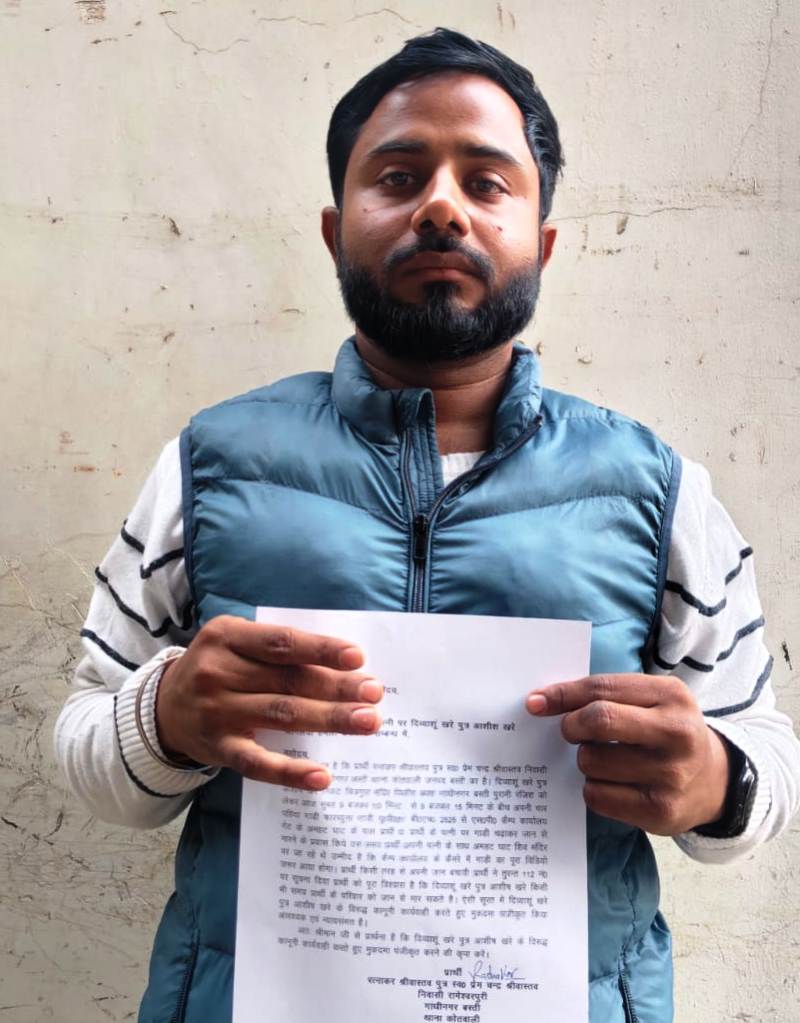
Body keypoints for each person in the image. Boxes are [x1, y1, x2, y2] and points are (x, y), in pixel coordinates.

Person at [54, 27, 799, 1023]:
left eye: (487, 183)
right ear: (334, 232)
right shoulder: (206, 464)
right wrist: (164, 718)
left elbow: (763, 754)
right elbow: (85, 746)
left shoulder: (656, 489)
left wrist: (714, 780)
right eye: (398, 177)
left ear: (541, 243)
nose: (441, 206)